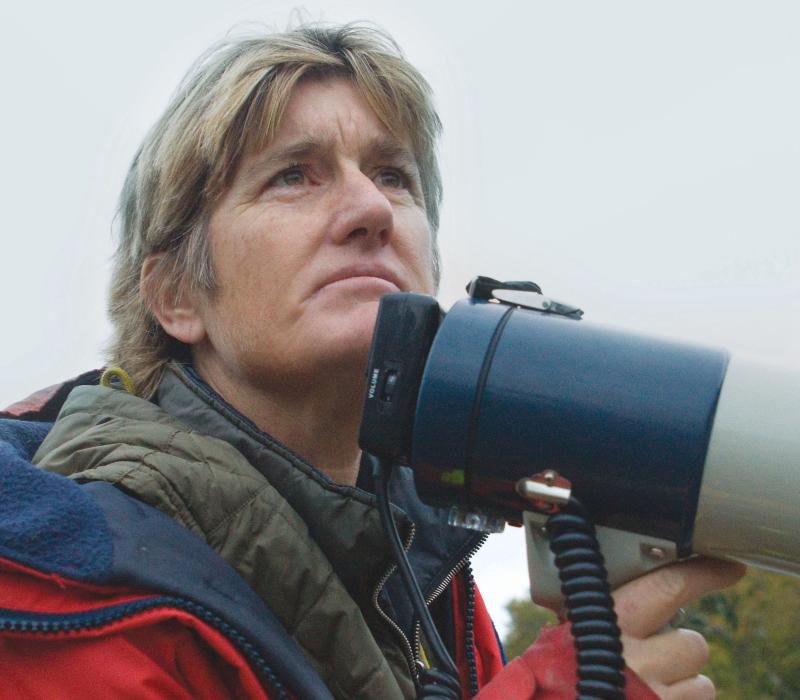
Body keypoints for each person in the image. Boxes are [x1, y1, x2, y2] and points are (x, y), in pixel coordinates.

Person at [0, 22, 742, 699]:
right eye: (293, 175)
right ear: (176, 298)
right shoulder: (66, 592)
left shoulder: (425, 572)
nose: (371, 209)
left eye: (394, 175)